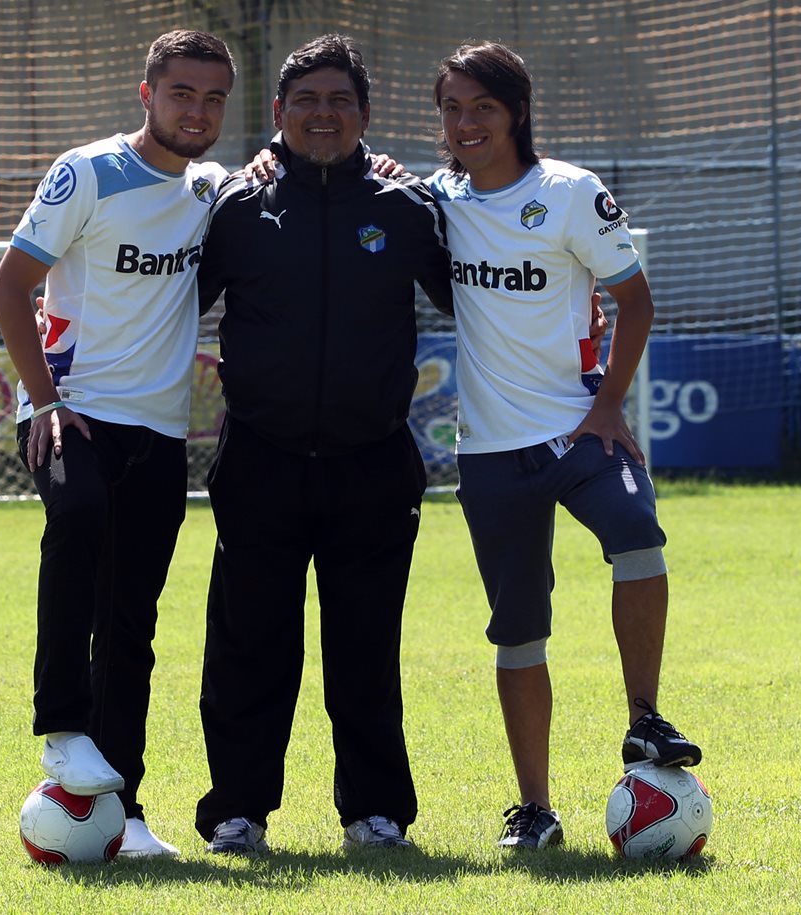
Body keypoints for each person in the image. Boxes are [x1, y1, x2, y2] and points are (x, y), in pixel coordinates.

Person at [428, 40, 702, 850]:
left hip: (580, 427)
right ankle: (536, 808)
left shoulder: (572, 193)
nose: (466, 122)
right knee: (518, 627)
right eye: (452, 108)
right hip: (488, 451)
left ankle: (646, 719)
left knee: (637, 532)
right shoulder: (435, 199)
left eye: (482, 106)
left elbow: (635, 300)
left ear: (517, 110)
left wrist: (611, 403)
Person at [192, 34, 455, 856]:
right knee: (248, 647)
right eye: (305, 101)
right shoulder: (236, 204)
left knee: (366, 648)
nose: (323, 114)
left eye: (340, 100)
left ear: (366, 115)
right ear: (278, 115)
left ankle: (375, 813)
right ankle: (238, 811)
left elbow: (479, 295)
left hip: (373, 460)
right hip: (261, 459)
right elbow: (167, 302)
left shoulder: (405, 208)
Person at [0, 29, 236, 858]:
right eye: (181, 94)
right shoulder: (87, 171)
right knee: (81, 514)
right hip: (71, 411)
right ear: (147, 94)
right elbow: (10, 286)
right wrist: (47, 400)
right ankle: (61, 724)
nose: (196, 111)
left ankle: (124, 817)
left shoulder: (213, 189)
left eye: (212, 98)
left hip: (159, 431)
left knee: (132, 620)